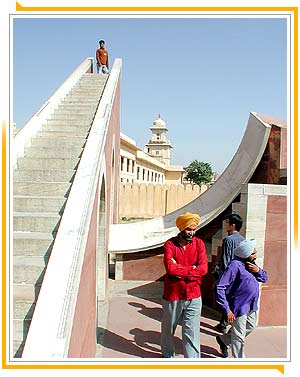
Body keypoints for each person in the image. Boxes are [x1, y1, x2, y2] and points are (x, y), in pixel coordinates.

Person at [161, 212, 208, 358]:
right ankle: (168, 355)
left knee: (192, 331)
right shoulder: (170, 244)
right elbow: (170, 268)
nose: (191, 233)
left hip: (194, 294)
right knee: (169, 328)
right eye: (188, 229)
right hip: (174, 294)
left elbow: (204, 269)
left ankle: (192, 361)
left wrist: (181, 270)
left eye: (194, 230)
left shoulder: (199, 243)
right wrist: (192, 269)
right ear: (181, 229)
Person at [215, 239, 267, 358]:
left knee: (250, 327)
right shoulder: (234, 266)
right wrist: (227, 310)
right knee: (239, 337)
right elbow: (220, 287)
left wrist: (258, 271)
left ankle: (224, 340)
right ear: (246, 254)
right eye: (253, 253)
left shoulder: (251, 264)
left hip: (251, 305)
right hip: (239, 307)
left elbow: (264, 278)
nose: (255, 255)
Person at [211, 213, 245, 334]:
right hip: (239, 275)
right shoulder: (243, 240)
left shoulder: (228, 240)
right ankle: (223, 323)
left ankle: (225, 325)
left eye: (227, 223)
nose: (225, 225)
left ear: (233, 225)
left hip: (229, 274)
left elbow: (226, 260)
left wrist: (222, 275)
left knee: (226, 299)